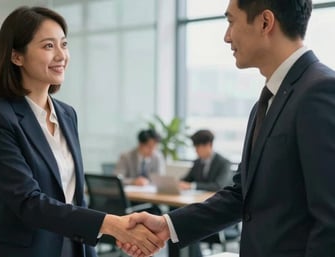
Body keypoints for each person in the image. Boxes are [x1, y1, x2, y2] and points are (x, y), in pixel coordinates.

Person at [122, 0, 335, 256]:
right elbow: (242, 195)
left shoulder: (320, 91)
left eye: (231, 21)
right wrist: (168, 225)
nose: (226, 36)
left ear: (265, 22)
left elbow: (330, 220)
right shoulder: (265, 104)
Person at [0, 6, 163, 257]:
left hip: (73, 248)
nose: (61, 55)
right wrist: (112, 224)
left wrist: (100, 241)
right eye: (48, 46)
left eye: (64, 44)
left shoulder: (67, 114)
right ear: (16, 56)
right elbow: (28, 202)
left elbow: (75, 198)